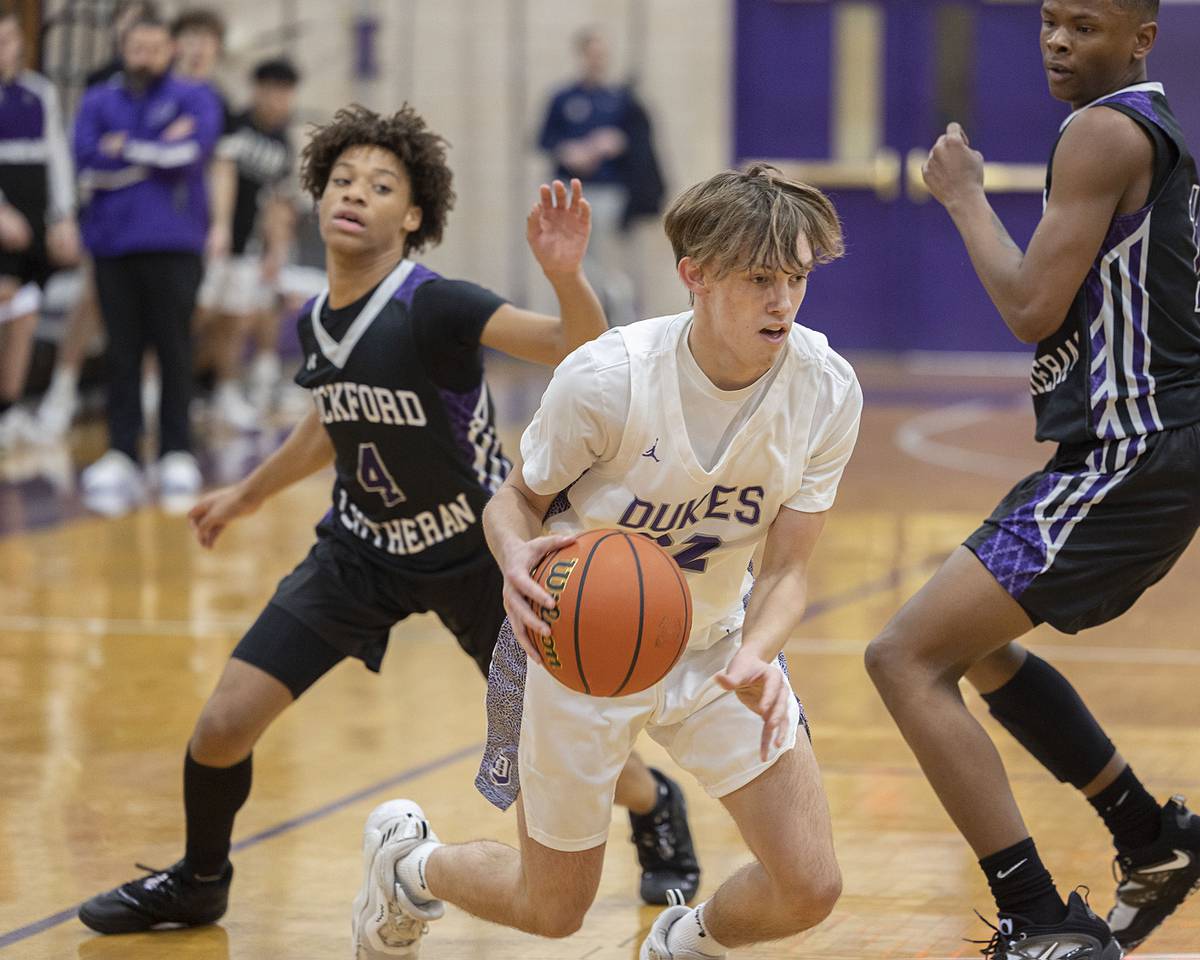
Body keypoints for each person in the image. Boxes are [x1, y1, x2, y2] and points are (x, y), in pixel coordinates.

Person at [76, 103, 700, 936]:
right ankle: (199, 880)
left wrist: (564, 274)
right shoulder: (315, 319)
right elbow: (326, 425)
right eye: (341, 180)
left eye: (379, 186)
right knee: (223, 724)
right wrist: (245, 495)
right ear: (317, 195)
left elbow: (575, 347)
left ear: (412, 216)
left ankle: (655, 803)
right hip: (361, 553)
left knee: (565, 748)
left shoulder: (434, 305)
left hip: (483, 559)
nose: (354, 195)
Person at [349, 162, 861, 960]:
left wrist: (759, 658)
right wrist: (517, 560)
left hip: (718, 644)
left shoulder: (825, 389)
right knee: (552, 911)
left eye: (795, 277)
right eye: (761, 278)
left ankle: (682, 946)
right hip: (582, 653)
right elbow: (511, 500)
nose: (784, 301)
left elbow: (790, 570)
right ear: (695, 275)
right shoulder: (610, 379)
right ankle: (410, 865)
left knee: (809, 886)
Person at [864, 1, 1200, 957]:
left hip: (1132, 457)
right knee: (976, 649)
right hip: (1139, 452)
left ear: (1140, 38)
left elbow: (1031, 305)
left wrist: (961, 194)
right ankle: (1154, 839)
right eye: (1049, 21)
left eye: (1086, 25)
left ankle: (1037, 919)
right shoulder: (1135, 127)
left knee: (902, 659)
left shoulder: (1106, 133)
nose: (1060, 41)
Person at [72, 13, 222, 510]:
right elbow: (88, 160)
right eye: (137, 47)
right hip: (112, 244)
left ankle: (177, 449)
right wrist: (156, 150)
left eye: (155, 48)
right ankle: (122, 451)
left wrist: (128, 149)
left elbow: (190, 154)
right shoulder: (97, 100)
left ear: (170, 51)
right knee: (121, 349)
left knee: (175, 347)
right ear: (122, 47)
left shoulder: (195, 96)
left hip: (176, 243)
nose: (145, 57)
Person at [33, 0, 158, 442]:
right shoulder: (100, 82)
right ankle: (62, 390)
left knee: (154, 307)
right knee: (91, 297)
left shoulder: (172, 87)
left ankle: (147, 393)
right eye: (126, 22)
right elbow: (87, 149)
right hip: (105, 210)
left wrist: (134, 146)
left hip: (157, 216)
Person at [194, 56, 301, 424]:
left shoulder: (281, 143)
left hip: (247, 248)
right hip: (207, 240)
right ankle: (162, 387)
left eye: (285, 93)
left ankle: (223, 390)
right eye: (270, 90)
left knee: (236, 320)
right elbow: (219, 173)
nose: (277, 100)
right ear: (256, 89)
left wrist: (276, 251)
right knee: (194, 315)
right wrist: (219, 225)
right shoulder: (234, 125)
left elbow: (278, 202)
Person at [538, 28, 661, 327]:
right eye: (592, 54)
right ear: (581, 56)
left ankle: (617, 313)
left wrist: (614, 142)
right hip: (570, 188)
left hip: (608, 190)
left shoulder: (618, 100)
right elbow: (544, 140)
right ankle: (576, 320)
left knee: (605, 255)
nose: (597, 61)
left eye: (601, 55)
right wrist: (570, 151)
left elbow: (638, 144)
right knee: (572, 256)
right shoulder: (563, 97)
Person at [0, 7, 79, 449]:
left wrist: (61, 215)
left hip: (34, 212)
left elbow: (57, 156)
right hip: (4, 210)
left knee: (25, 309)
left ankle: (9, 410)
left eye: (8, 40)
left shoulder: (38, 92)